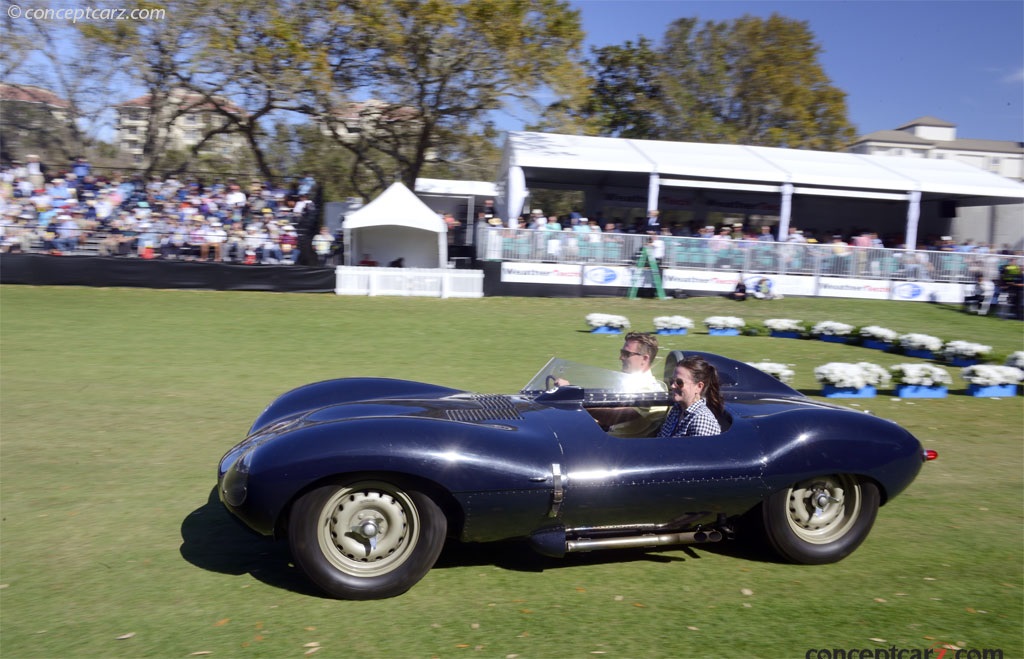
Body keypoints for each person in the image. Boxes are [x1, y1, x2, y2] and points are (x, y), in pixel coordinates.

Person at [574, 333, 668, 438]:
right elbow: (611, 422)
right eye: (621, 352)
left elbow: (613, 417)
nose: (621, 358)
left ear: (645, 359)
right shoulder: (631, 384)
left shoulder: (650, 390)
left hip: (622, 448)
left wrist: (578, 402)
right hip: (610, 439)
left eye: (626, 354)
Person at [659, 356, 724, 437]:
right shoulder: (677, 409)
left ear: (699, 387)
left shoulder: (701, 421)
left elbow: (696, 450)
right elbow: (661, 439)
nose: (672, 386)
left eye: (679, 382)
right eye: (672, 381)